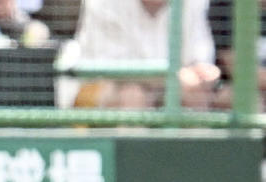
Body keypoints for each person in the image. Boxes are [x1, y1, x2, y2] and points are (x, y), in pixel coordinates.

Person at [62, 0, 220, 109]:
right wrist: (176, 76)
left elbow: (199, 57)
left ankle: (189, 158)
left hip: (170, 87)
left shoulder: (194, 2)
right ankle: (131, 158)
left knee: (196, 97)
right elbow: (112, 70)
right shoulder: (104, 3)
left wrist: (203, 73)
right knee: (133, 95)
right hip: (96, 87)